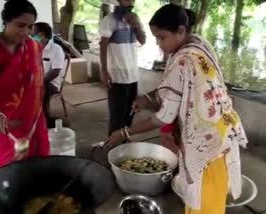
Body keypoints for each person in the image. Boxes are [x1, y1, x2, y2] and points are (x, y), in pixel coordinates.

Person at [106, 4, 248, 214]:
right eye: (156, 38)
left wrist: (124, 132)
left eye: (162, 37)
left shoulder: (183, 59)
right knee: (200, 200)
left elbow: (162, 119)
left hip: (206, 146)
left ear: (181, 30)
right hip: (221, 132)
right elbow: (181, 87)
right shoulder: (199, 44)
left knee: (204, 203)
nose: (158, 44)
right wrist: (147, 97)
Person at [0, 0, 50, 172]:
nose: (26, 31)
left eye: (30, 26)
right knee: (7, 169)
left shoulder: (34, 47)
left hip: (30, 117)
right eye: (20, 25)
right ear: (6, 21)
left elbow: (35, 83)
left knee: (37, 164)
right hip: (0, 120)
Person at [99, 0, 146, 138]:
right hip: (116, 76)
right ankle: (112, 144)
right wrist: (104, 71)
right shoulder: (109, 20)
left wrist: (136, 24)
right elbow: (103, 46)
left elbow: (143, 41)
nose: (130, 2)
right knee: (117, 114)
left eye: (132, 1)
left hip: (132, 74)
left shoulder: (134, 19)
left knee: (130, 112)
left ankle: (124, 142)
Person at [32, 22, 65, 117]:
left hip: (51, 83)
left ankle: (45, 118)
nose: (30, 36)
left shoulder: (56, 49)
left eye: (32, 34)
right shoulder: (33, 48)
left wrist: (39, 81)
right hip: (34, 80)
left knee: (41, 88)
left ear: (41, 35)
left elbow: (55, 72)